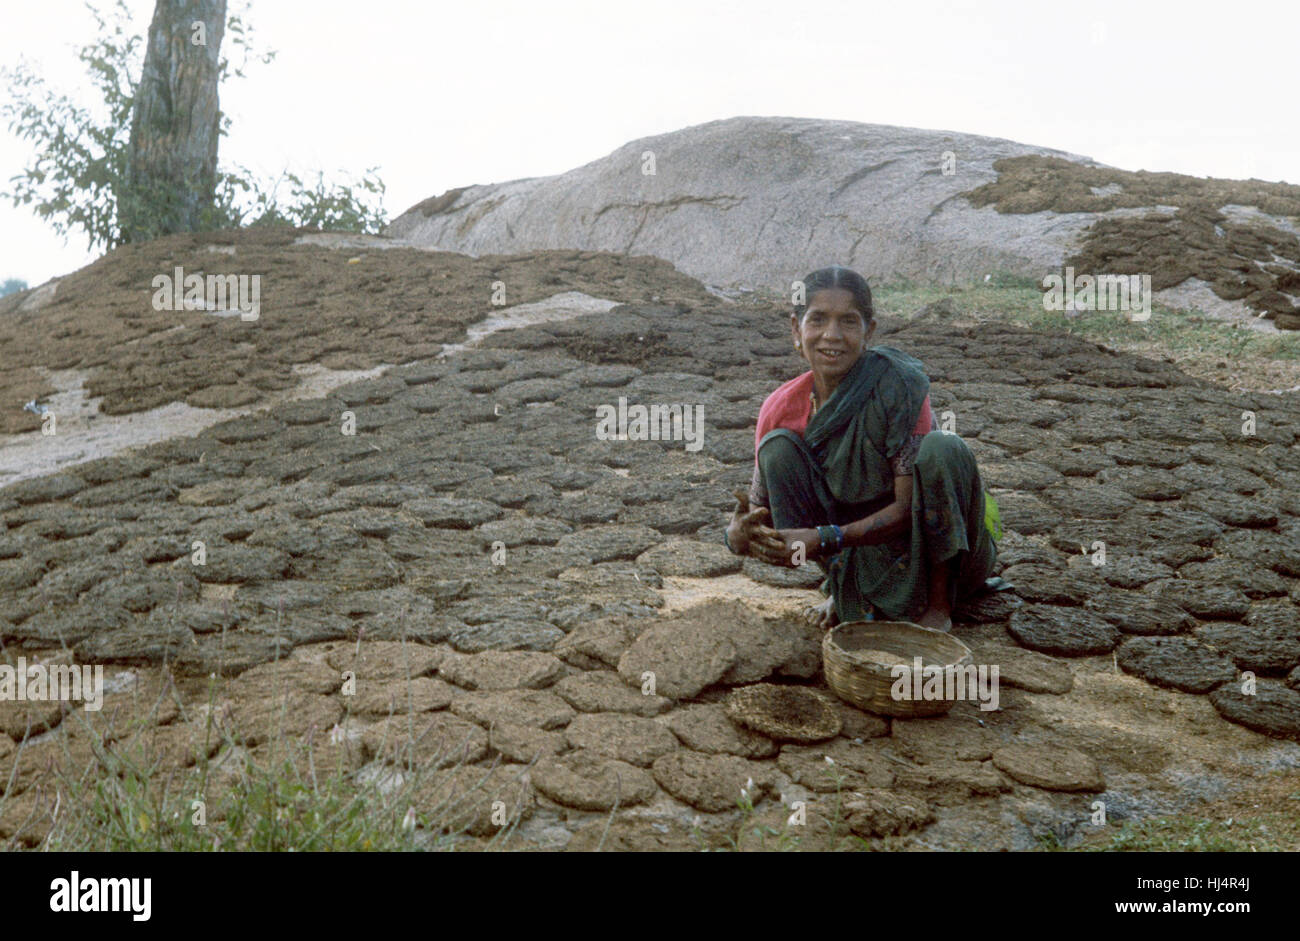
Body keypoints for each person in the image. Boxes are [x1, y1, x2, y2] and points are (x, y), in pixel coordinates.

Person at [724, 265, 998, 633]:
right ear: (796, 328)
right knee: (777, 448)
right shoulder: (781, 407)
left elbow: (907, 508)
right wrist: (739, 536)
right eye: (817, 319)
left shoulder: (897, 389)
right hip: (858, 554)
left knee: (941, 449)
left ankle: (938, 605)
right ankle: (845, 586)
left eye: (848, 322)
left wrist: (824, 537)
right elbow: (759, 515)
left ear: (868, 331)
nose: (831, 336)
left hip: (937, 553)